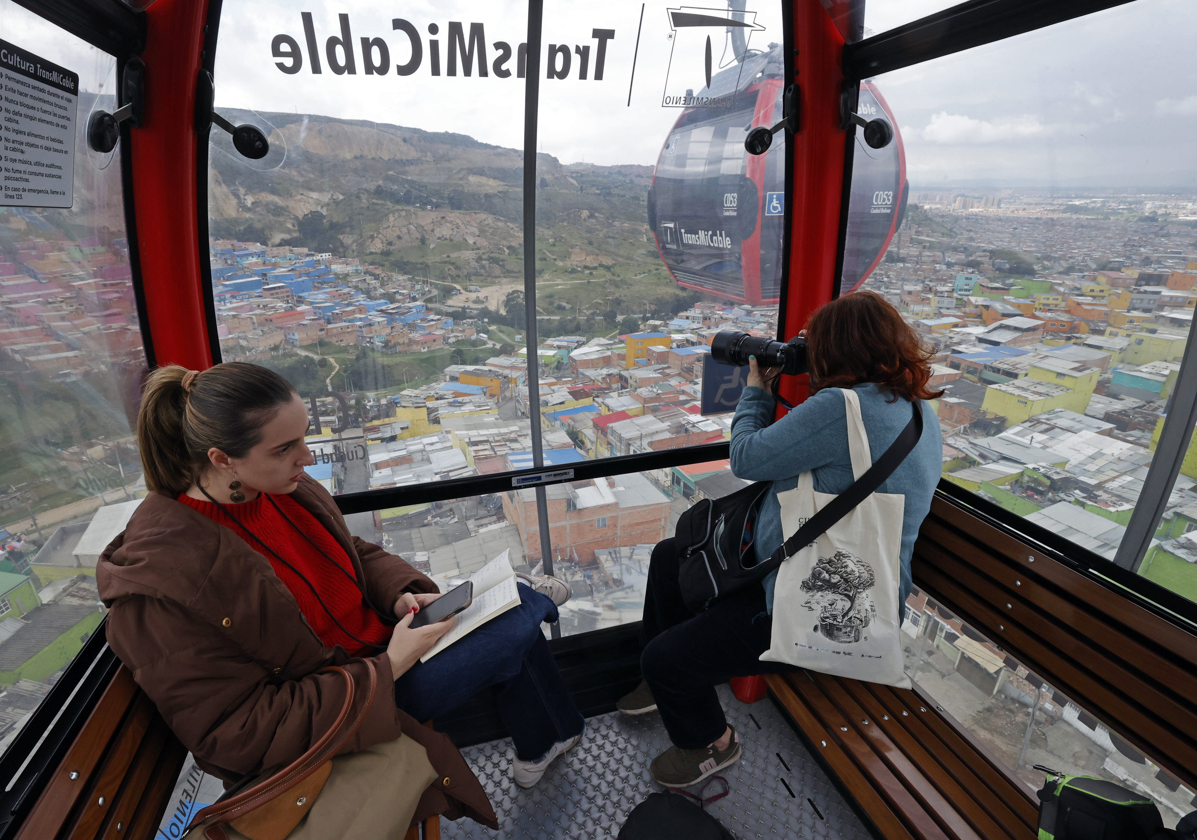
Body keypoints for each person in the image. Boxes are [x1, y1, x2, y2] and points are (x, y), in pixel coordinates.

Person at [96, 362, 585, 833]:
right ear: (224, 459)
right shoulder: (163, 587)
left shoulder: (277, 485)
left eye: (304, 437)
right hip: (350, 699)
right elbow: (236, 735)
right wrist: (387, 667)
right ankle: (534, 617)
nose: (307, 458)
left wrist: (401, 594)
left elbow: (349, 551)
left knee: (503, 625)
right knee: (515, 620)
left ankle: (548, 736)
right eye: (287, 447)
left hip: (384, 641)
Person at [617, 290, 944, 788]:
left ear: (838, 349)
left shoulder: (842, 407)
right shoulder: (917, 408)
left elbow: (746, 458)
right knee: (670, 557)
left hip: (817, 602)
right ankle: (665, 681)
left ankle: (710, 744)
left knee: (665, 658)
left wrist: (756, 389)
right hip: (827, 573)